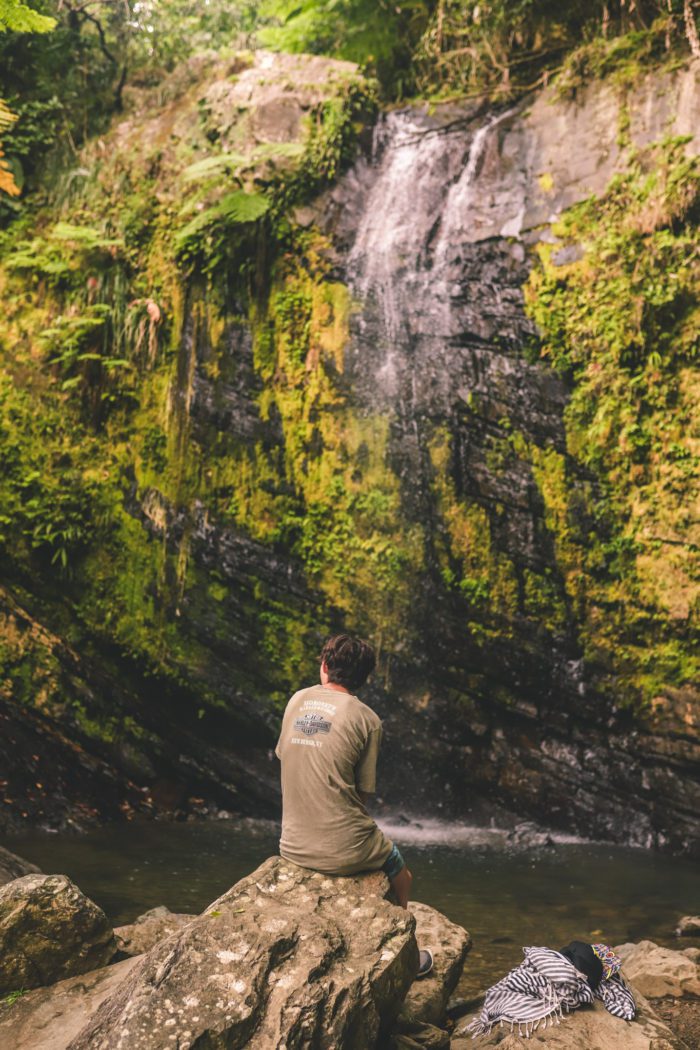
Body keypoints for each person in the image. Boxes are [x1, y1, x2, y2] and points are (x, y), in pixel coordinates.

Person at [275, 632, 432, 978]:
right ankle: (407, 957)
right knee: (400, 869)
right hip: (343, 852)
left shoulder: (296, 700)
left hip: (291, 846)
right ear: (364, 678)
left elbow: (285, 758)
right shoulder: (367, 719)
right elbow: (362, 795)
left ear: (325, 666)